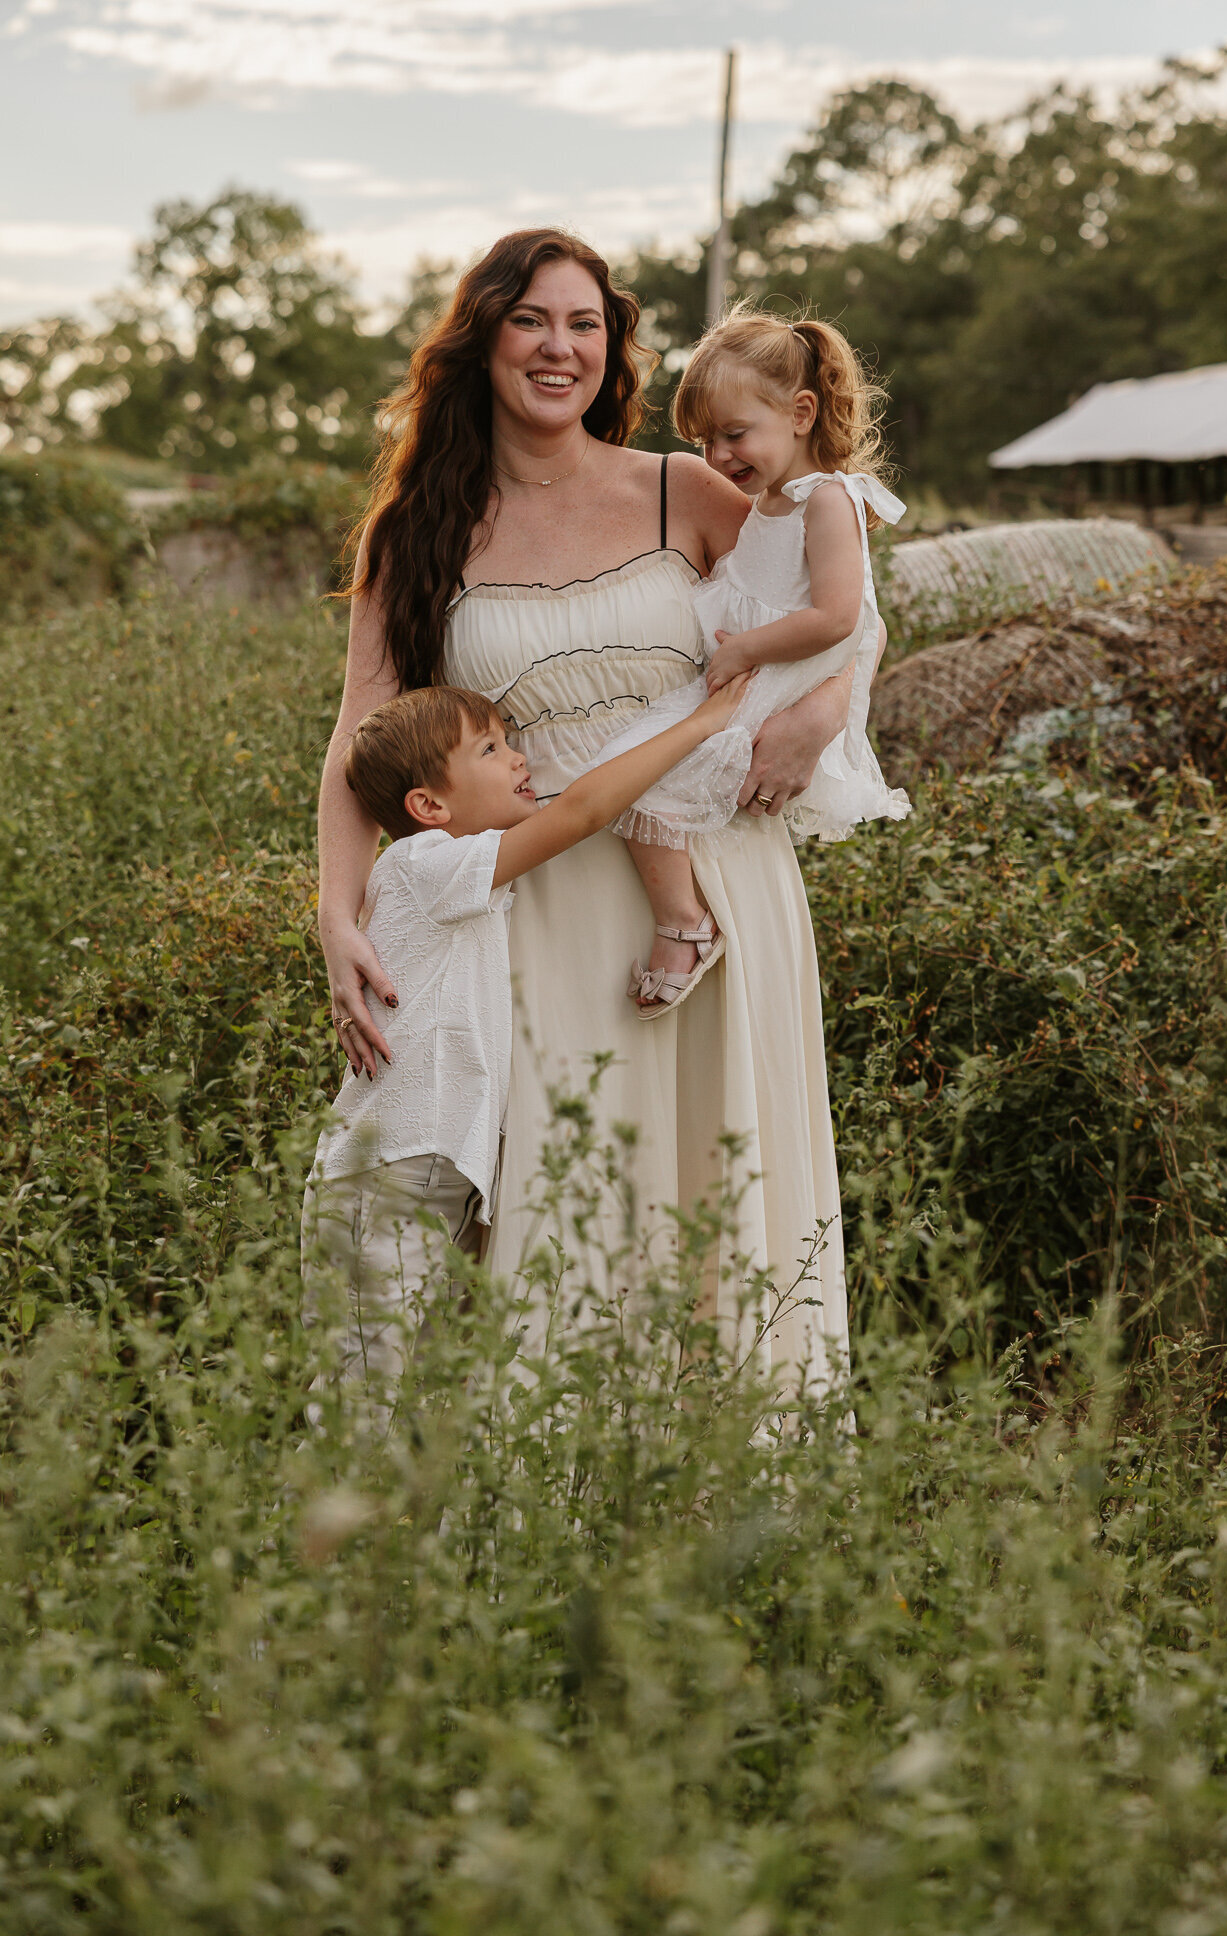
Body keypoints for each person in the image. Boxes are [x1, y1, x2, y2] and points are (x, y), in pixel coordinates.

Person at [317, 227, 878, 1394]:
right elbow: (356, 741)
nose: (560, 347)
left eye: (585, 323)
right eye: (532, 320)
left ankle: (732, 1504)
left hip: (718, 884)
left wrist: (825, 710)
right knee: (567, 1200)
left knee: (719, 1189)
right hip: (527, 905)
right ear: (483, 341)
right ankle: (551, 1518)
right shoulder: (416, 527)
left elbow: (842, 604)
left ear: (613, 347)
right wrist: (338, 914)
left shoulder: (687, 487)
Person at [304, 675, 749, 1402]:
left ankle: (393, 1513)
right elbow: (580, 812)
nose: (518, 759)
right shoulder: (426, 866)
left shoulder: (448, 872)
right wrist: (701, 723)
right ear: (428, 807)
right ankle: (325, 1514)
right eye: (490, 748)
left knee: (413, 1385)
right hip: (386, 1174)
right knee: (359, 1393)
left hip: (420, 1171)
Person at [589, 308, 909, 1016]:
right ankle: (686, 916)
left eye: (734, 434)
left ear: (800, 413)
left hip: (782, 670)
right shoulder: (770, 499)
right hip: (757, 663)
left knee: (648, 779)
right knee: (635, 767)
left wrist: (746, 651)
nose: (718, 457)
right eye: (705, 441)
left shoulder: (827, 500)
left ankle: (685, 926)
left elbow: (840, 616)